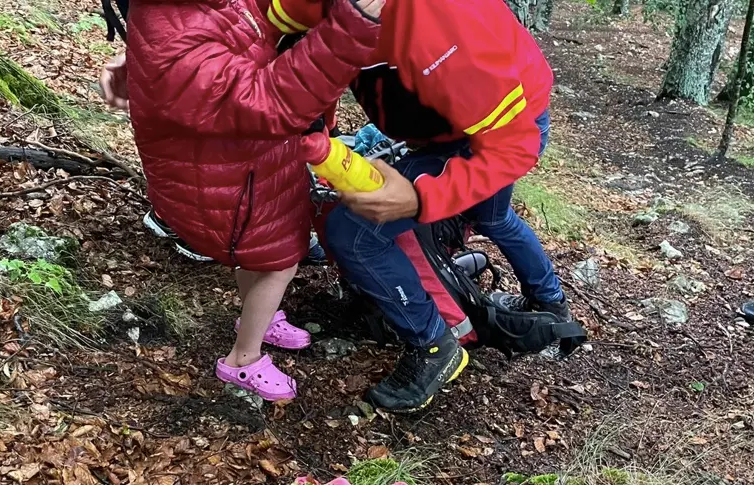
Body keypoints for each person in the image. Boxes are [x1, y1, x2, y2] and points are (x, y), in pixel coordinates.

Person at [103, 0, 381, 401]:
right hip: (224, 179)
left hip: (243, 164)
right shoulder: (179, 38)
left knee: (256, 253)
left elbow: (248, 27)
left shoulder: (188, 9)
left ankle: (257, 318)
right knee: (280, 262)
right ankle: (243, 360)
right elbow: (267, 101)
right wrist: (351, 28)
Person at [311, 0, 569, 412]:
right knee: (490, 216)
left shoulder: (445, 19)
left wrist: (420, 198)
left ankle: (436, 345)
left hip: (498, 129)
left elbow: (510, 146)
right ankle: (546, 300)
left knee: (359, 231)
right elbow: (307, 55)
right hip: (451, 127)